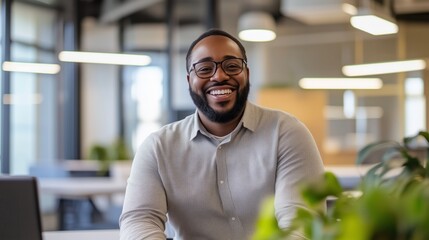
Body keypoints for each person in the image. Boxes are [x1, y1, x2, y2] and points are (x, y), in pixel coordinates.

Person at [119, 29, 325, 240]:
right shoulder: (158, 147)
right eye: (205, 68)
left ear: (247, 74)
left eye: (232, 66)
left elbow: (302, 224)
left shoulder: (287, 134)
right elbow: (139, 221)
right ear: (189, 80)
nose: (219, 76)